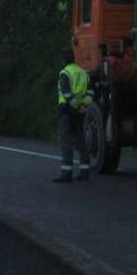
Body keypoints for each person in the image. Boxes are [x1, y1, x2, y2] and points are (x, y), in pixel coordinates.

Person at [53, 48, 93, 183]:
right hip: (80, 113)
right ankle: (85, 171)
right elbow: (91, 94)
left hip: (66, 111)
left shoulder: (65, 73)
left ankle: (66, 174)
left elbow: (67, 93)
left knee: (66, 142)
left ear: (63, 60)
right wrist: (83, 106)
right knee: (80, 140)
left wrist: (75, 106)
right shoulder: (84, 73)